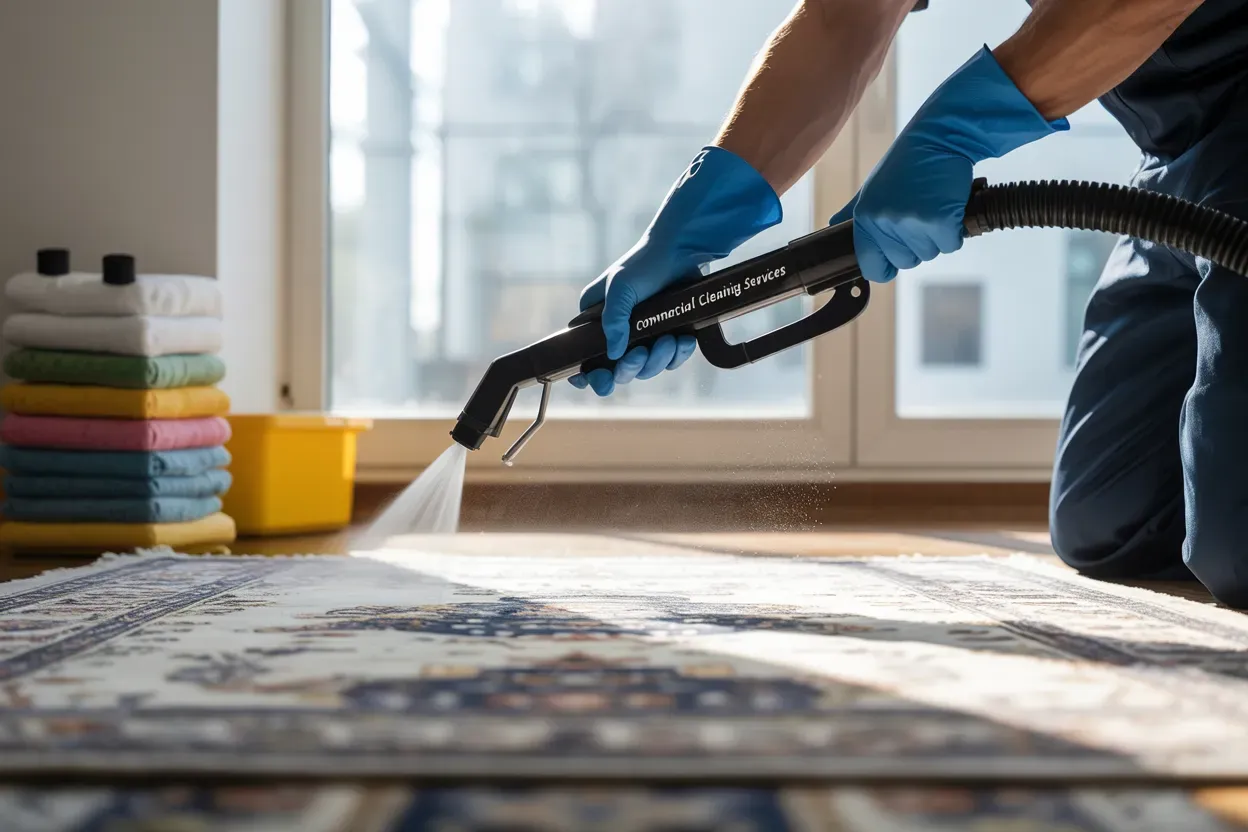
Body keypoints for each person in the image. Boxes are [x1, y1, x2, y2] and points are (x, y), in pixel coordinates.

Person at [566, 0, 1248, 606]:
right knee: (1110, 522)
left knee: (1238, 545)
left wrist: (954, 130)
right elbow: (845, 17)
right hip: (1180, 164)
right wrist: (696, 221)